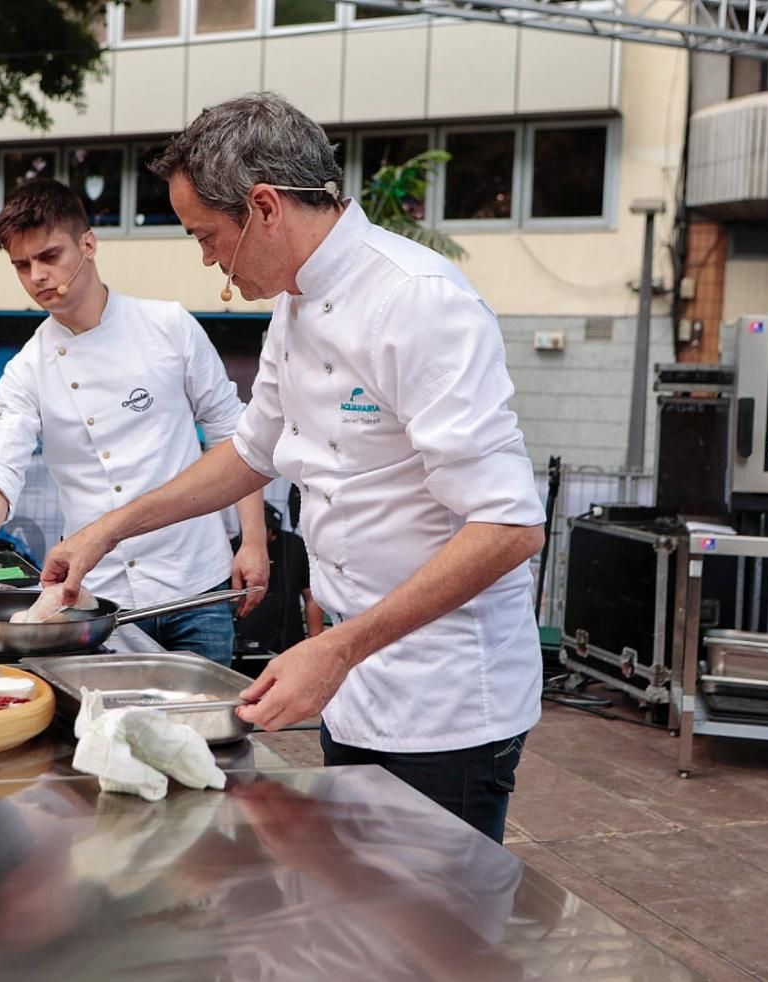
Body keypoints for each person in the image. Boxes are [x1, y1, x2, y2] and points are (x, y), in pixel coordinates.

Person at [38, 93, 545, 843]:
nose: (208, 258)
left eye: (208, 236)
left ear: (266, 207)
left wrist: (338, 648)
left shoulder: (419, 301)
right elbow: (250, 453)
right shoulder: (295, 305)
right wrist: (110, 530)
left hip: (445, 700)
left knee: (430, 945)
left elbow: (509, 525)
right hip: (350, 679)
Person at [0, 178, 268, 665]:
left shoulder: (169, 326)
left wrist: (252, 541)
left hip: (195, 583)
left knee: (200, 736)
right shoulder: (26, 369)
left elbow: (235, 433)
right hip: (98, 598)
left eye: (49, 256)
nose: (37, 275)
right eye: (22, 265)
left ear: (88, 243)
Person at [229, 501, 323, 666]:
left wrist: (316, 643)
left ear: (272, 532)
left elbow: (311, 597)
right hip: (243, 649)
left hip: (287, 645)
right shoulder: (234, 547)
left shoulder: (294, 546)